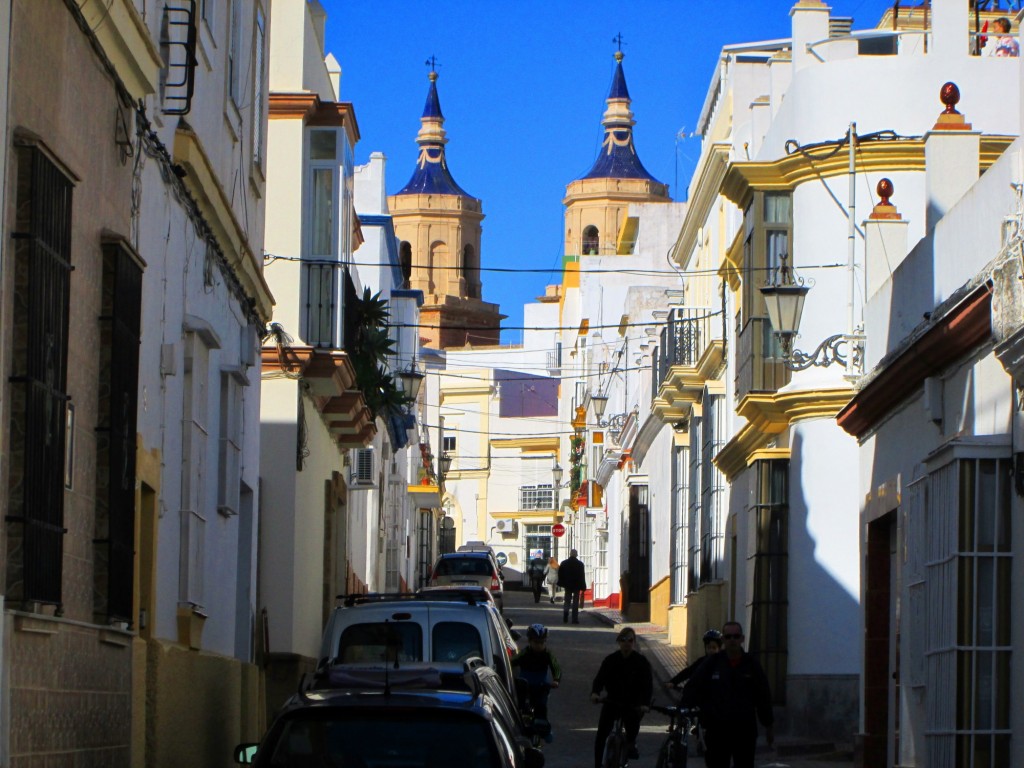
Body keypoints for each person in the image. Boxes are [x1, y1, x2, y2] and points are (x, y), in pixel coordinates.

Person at [681, 621, 774, 768]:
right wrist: (686, 709)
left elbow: (763, 695)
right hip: (717, 731)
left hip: (744, 731)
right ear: (723, 640)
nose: (732, 640)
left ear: (742, 639)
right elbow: (694, 686)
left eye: (736, 636)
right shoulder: (712, 663)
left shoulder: (751, 664)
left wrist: (768, 724)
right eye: (728, 636)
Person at [590, 627, 653, 768]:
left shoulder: (641, 662)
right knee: (601, 736)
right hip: (612, 701)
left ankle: (630, 744)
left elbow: (647, 685)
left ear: (634, 642)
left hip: (632, 704)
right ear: (619, 642)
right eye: (623, 640)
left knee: (632, 727)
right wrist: (595, 693)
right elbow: (600, 679)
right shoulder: (610, 660)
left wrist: (645, 703)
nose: (627, 643)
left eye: (630, 640)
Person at [512, 623, 562, 742]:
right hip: (525, 684)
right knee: (518, 706)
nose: (539, 646)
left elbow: (556, 668)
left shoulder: (548, 654)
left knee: (541, 707)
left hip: (541, 685)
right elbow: (512, 662)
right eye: (536, 642)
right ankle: (514, 727)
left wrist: (556, 680)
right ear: (529, 641)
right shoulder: (525, 653)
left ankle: (545, 730)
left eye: (542, 642)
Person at [557, 549, 586, 624]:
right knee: (576, 602)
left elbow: (560, 574)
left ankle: (566, 613)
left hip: (567, 584)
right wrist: (583, 586)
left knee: (567, 600)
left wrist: (561, 582)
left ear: (570, 554)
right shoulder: (580, 564)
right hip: (577, 585)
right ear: (576, 555)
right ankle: (574, 619)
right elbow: (582, 576)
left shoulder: (564, 563)